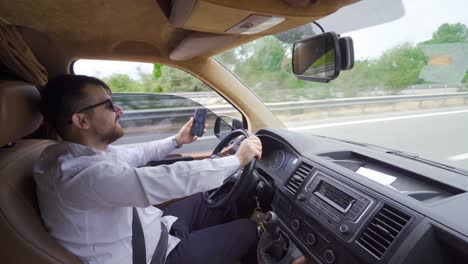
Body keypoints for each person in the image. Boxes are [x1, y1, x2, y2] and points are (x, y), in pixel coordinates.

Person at [34, 74, 262, 264]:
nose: (119, 110)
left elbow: (138, 153)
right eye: (109, 105)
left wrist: (178, 140)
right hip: (156, 257)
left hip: (157, 230)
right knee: (250, 230)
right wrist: (236, 160)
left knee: (212, 198)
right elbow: (163, 180)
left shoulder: (75, 154)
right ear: (81, 121)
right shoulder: (79, 174)